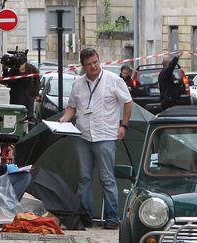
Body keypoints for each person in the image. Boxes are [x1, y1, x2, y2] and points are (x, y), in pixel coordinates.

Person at [59, 48, 133, 230]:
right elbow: (72, 107)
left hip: (106, 135)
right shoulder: (78, 83)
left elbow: (128, 101)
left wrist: (124, 125)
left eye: (95, 62)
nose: (93, 66)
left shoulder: (113, 80)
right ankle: (86, 217)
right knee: (84, 178)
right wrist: (64, 119)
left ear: (99, 61)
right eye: (89, 64)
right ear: (83, 66)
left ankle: (112, 217)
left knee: (106, 178)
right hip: (83, 135)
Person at [0, 62, 39, 129]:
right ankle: (16, 131)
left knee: (29, 116)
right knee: (16, 114)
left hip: (28, 96)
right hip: (16, 96)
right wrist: (5, 69)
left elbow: (37, 82)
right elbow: (7, 80)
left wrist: (36, 94)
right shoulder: (14, 69)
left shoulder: (31, 68)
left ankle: (29, 133)